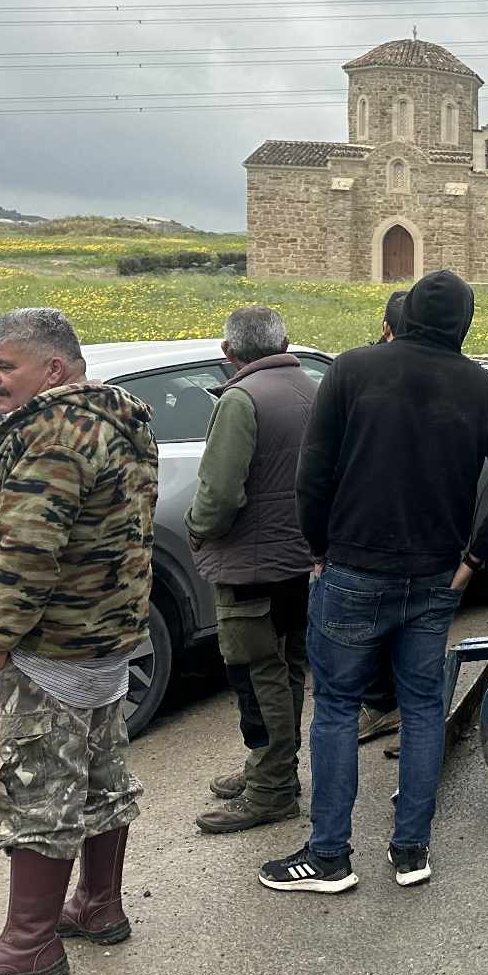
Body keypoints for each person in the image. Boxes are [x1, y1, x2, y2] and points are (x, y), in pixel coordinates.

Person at [259, 269, 488, 895]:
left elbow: (313, 474)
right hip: (436, 573)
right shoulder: (486, 389)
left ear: (404, 314)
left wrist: (319, 549)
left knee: (334, 708)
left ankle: (329, 855)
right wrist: (471, 561)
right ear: (465, 325)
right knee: (421, 707)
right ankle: (411, 849)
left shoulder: (352, 370)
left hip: (352, 566)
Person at [0, 309, 158, 975]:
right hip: (102, 639)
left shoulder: (52, 434)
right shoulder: (118, 417)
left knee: (36, 785)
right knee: (98, 774)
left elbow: (29, 552)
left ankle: (30, 944)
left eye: (6, 364)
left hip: (47, 647)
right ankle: (99, 905)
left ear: (53, 369)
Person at [187, 306, 317, 836]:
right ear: (285, 339)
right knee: (284, 666)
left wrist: (198, 526)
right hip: (298, 558)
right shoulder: (311, 389)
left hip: (250, 563)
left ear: (228, 353)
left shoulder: (241, 400)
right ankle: (273, 772)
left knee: (254, 675)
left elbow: (219, 495)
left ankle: (271, 790)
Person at [354, 289, 410, 747]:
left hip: (370, 523)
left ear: (387, 327)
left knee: (370, 623)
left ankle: (382, 704)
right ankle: (396, 704)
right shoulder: (449, 370)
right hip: (423, 527)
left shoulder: (358, 370)